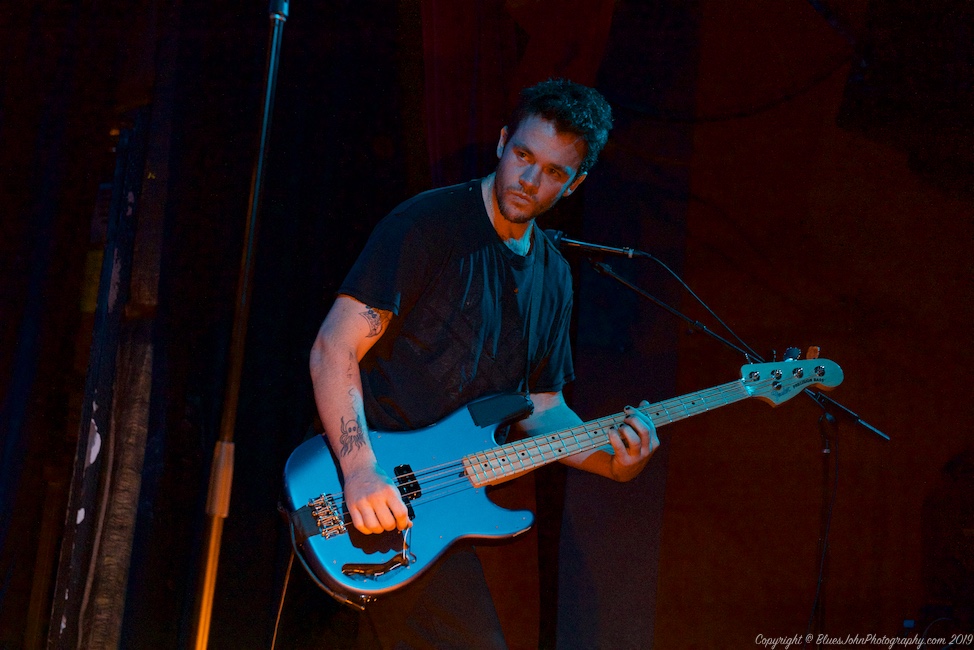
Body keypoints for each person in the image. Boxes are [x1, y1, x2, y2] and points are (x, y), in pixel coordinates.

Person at [308, 78, 660, 649]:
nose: (530, 180)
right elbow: (334, 348)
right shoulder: (427, 224)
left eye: (553, 172)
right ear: (502, 142)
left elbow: (542, 410)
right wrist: (361, 470)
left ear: (575, 183)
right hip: (361, 487)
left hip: (439, 508)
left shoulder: (554, 277)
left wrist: (612, 463)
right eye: (524, 156)